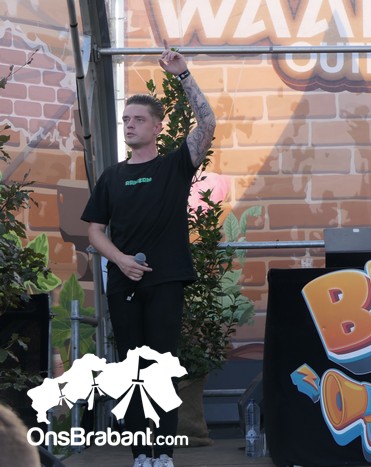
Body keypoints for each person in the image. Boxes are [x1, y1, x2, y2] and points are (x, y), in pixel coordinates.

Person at [81, 44, 216, 467]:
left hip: (165, 280)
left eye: (138, 119)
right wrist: (120, 260)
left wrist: (183, 74)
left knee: (161, 366)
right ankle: (141, 452)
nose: (130, 125)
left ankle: (163, 453)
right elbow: (94, 231)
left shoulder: (174, 166)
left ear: (157, 127)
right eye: (126, 120)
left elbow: (208, 124)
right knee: (132, 369)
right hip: (124, 282)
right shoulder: (111, 177)